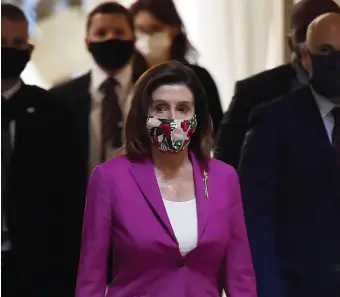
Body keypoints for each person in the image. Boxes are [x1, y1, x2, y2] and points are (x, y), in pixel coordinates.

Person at [76, 61, 257, 297]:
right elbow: (91, 277)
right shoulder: (109, 179)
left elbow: (240, 275)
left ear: (197, 117)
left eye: (183, 108)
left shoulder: (224, 178)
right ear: (143, 116)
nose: (172, 119)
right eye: (160, 108)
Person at [48, 3, 148, 295]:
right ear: (87, 41)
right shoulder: (60, 100)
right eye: (101, 33)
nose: (109, 39)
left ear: (132, 37)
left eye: (118, 32)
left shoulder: (157, 93)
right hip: (78, 234)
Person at [238, 12, 340, 297]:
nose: (335, 60)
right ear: (306, 57)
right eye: (326, 51)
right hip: (299, 286)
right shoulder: (273, 121)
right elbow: (254, 220)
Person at [215, 0, 340, 169]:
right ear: (291, 43)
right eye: (306, 31)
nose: (316, 38)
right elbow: (224, 165)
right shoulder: (255, 94)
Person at [1, 4, 67, 297]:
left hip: (34, 263)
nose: (10, 51)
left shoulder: (50, 110)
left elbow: (64, 191)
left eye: (18, 44)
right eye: (1, 43)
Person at [130, 0, 223, 136]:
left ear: (175, 29)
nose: (148, 37)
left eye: (156, 29)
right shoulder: (127, 78)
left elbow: (217, 133)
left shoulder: (198, 78)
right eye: (141, 30)